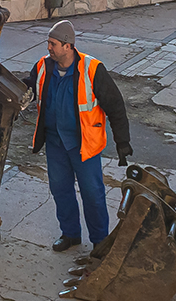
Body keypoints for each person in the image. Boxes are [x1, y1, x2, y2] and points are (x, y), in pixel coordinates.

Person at [26, 19, 132, 253]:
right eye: (48, 43)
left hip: (84, 144)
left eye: (53, 43)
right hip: (55, 142)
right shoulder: (43, 66)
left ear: (68, 45)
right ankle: (70, 234)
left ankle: (100, 241)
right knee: (60, 189)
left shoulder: (92, 69)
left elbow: (115, 106)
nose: (49, 48)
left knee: (92, 194)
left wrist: (122, 142)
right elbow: (29, 89)